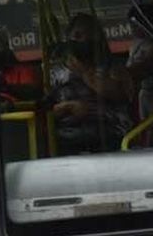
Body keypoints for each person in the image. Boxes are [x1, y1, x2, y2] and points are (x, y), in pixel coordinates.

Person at [45, 13, 132, 154]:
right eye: (77, 36)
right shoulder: (56, 73)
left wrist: (85, 72)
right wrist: (67, 107)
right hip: (66, 138)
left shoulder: (112, 67)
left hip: (107, 136)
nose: (83, 41)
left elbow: (119, 94)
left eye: (90, 36)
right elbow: (43, 110)